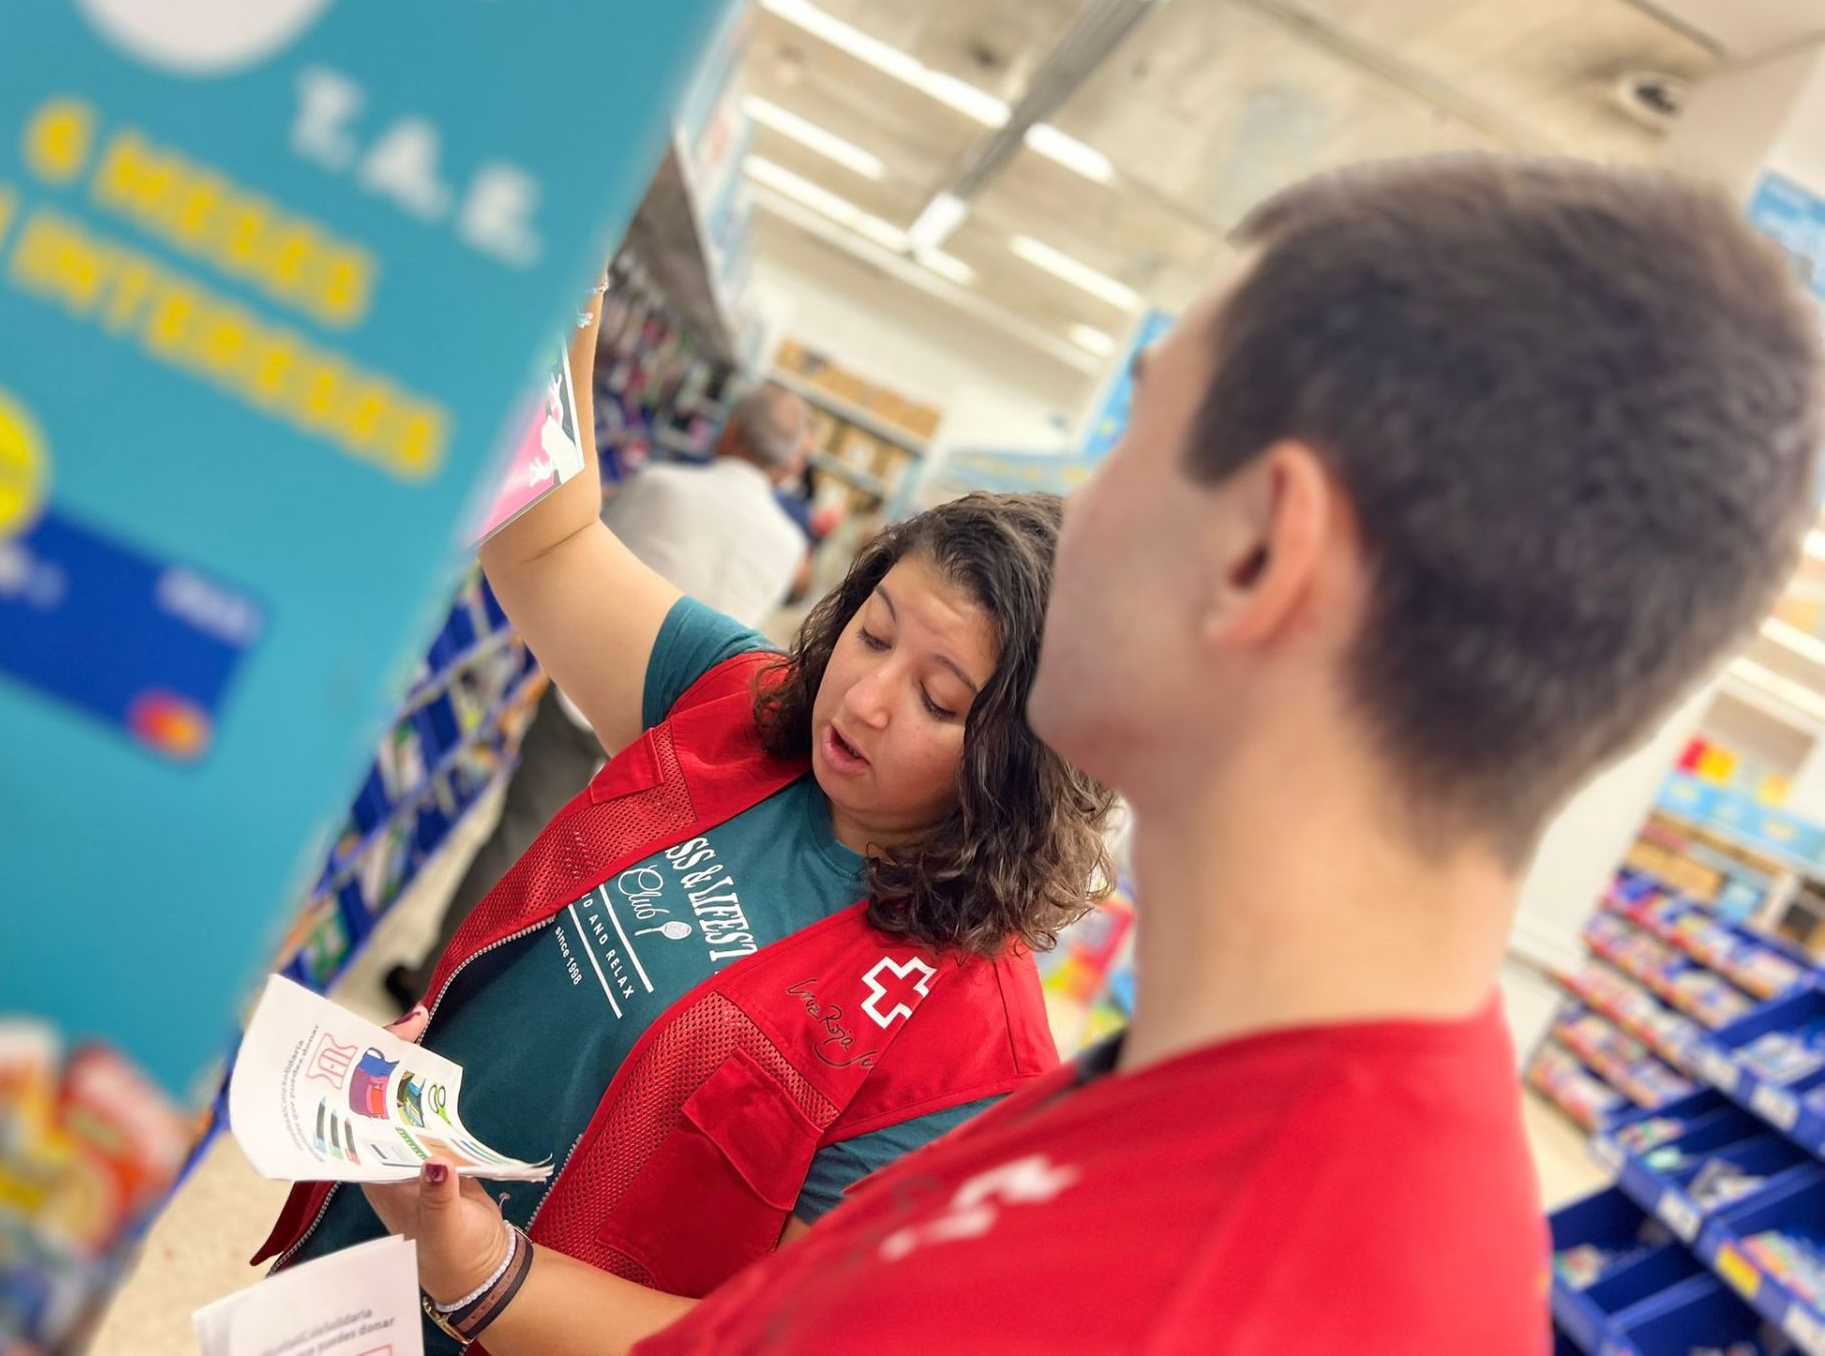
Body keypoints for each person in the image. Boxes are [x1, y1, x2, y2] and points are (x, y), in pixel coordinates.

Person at [375, 154, 1824, 1354]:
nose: (1078, 505)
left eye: (1139, 434)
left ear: (1259, 553)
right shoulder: (1240, 1135)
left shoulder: (1178, 1290)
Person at [254, 285, 1115, 1355]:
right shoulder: (738, 707)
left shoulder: (971, 1049)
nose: (866, 698)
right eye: (874, 633)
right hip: (342, 1287)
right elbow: (549, 544)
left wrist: (481, 1275)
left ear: (1024, 763)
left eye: (941, 702)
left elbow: (780, 1337)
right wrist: (570, 300)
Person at [383, 385, 818, 1009]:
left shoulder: (665, 486)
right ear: (785, 464)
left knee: (519, 834)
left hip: (589, 683)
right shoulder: (787, 544)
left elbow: (576, 551)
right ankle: (488, 1005)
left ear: (728, 434)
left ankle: (428, 988)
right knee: (596, 879)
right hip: (682, 730)